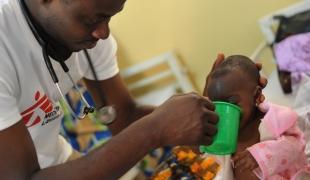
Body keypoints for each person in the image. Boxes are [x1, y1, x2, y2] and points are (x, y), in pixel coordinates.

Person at [0, 0, 266, 179]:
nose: (103, 33)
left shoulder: (91, 37)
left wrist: (208, 112)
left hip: (61, 162)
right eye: (94, 19)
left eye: (110, 18)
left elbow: (123, 117)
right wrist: (154, 130)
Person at [205, 55, 309, 180]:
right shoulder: (224, 131)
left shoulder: (275, 119)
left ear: (257, 95)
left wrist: (261, 155)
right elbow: (206, 151)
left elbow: (295, 146)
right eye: (219, 107)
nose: (226, 113)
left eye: (231, 103)